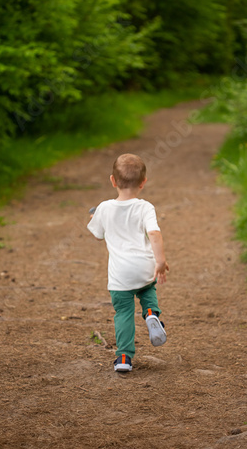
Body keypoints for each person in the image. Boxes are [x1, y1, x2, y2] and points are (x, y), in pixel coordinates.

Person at [87, 153, 169, 372]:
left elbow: (97, 235)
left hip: (120, 275)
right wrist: (160, 262)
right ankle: (151, 313)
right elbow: (154, 233)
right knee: (146, 289)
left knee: (123, 313)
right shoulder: (145, 207)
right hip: (143, 267)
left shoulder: (103, 208)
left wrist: (95, 217)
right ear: (143, 183)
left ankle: (124, 358)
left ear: (113, 181)